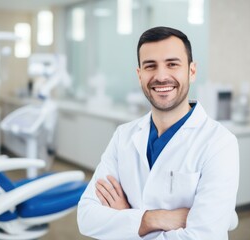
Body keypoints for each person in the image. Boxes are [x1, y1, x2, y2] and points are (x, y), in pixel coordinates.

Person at [77, 26, 239, 240]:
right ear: (140, 75)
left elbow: (203, 237)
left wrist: (126, 220)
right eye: (150, 66)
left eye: (172, 64)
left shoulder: (220, 143)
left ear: (191, 71)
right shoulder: (123, 136)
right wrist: (153, 219)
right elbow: (86, 217)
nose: (161, 76)